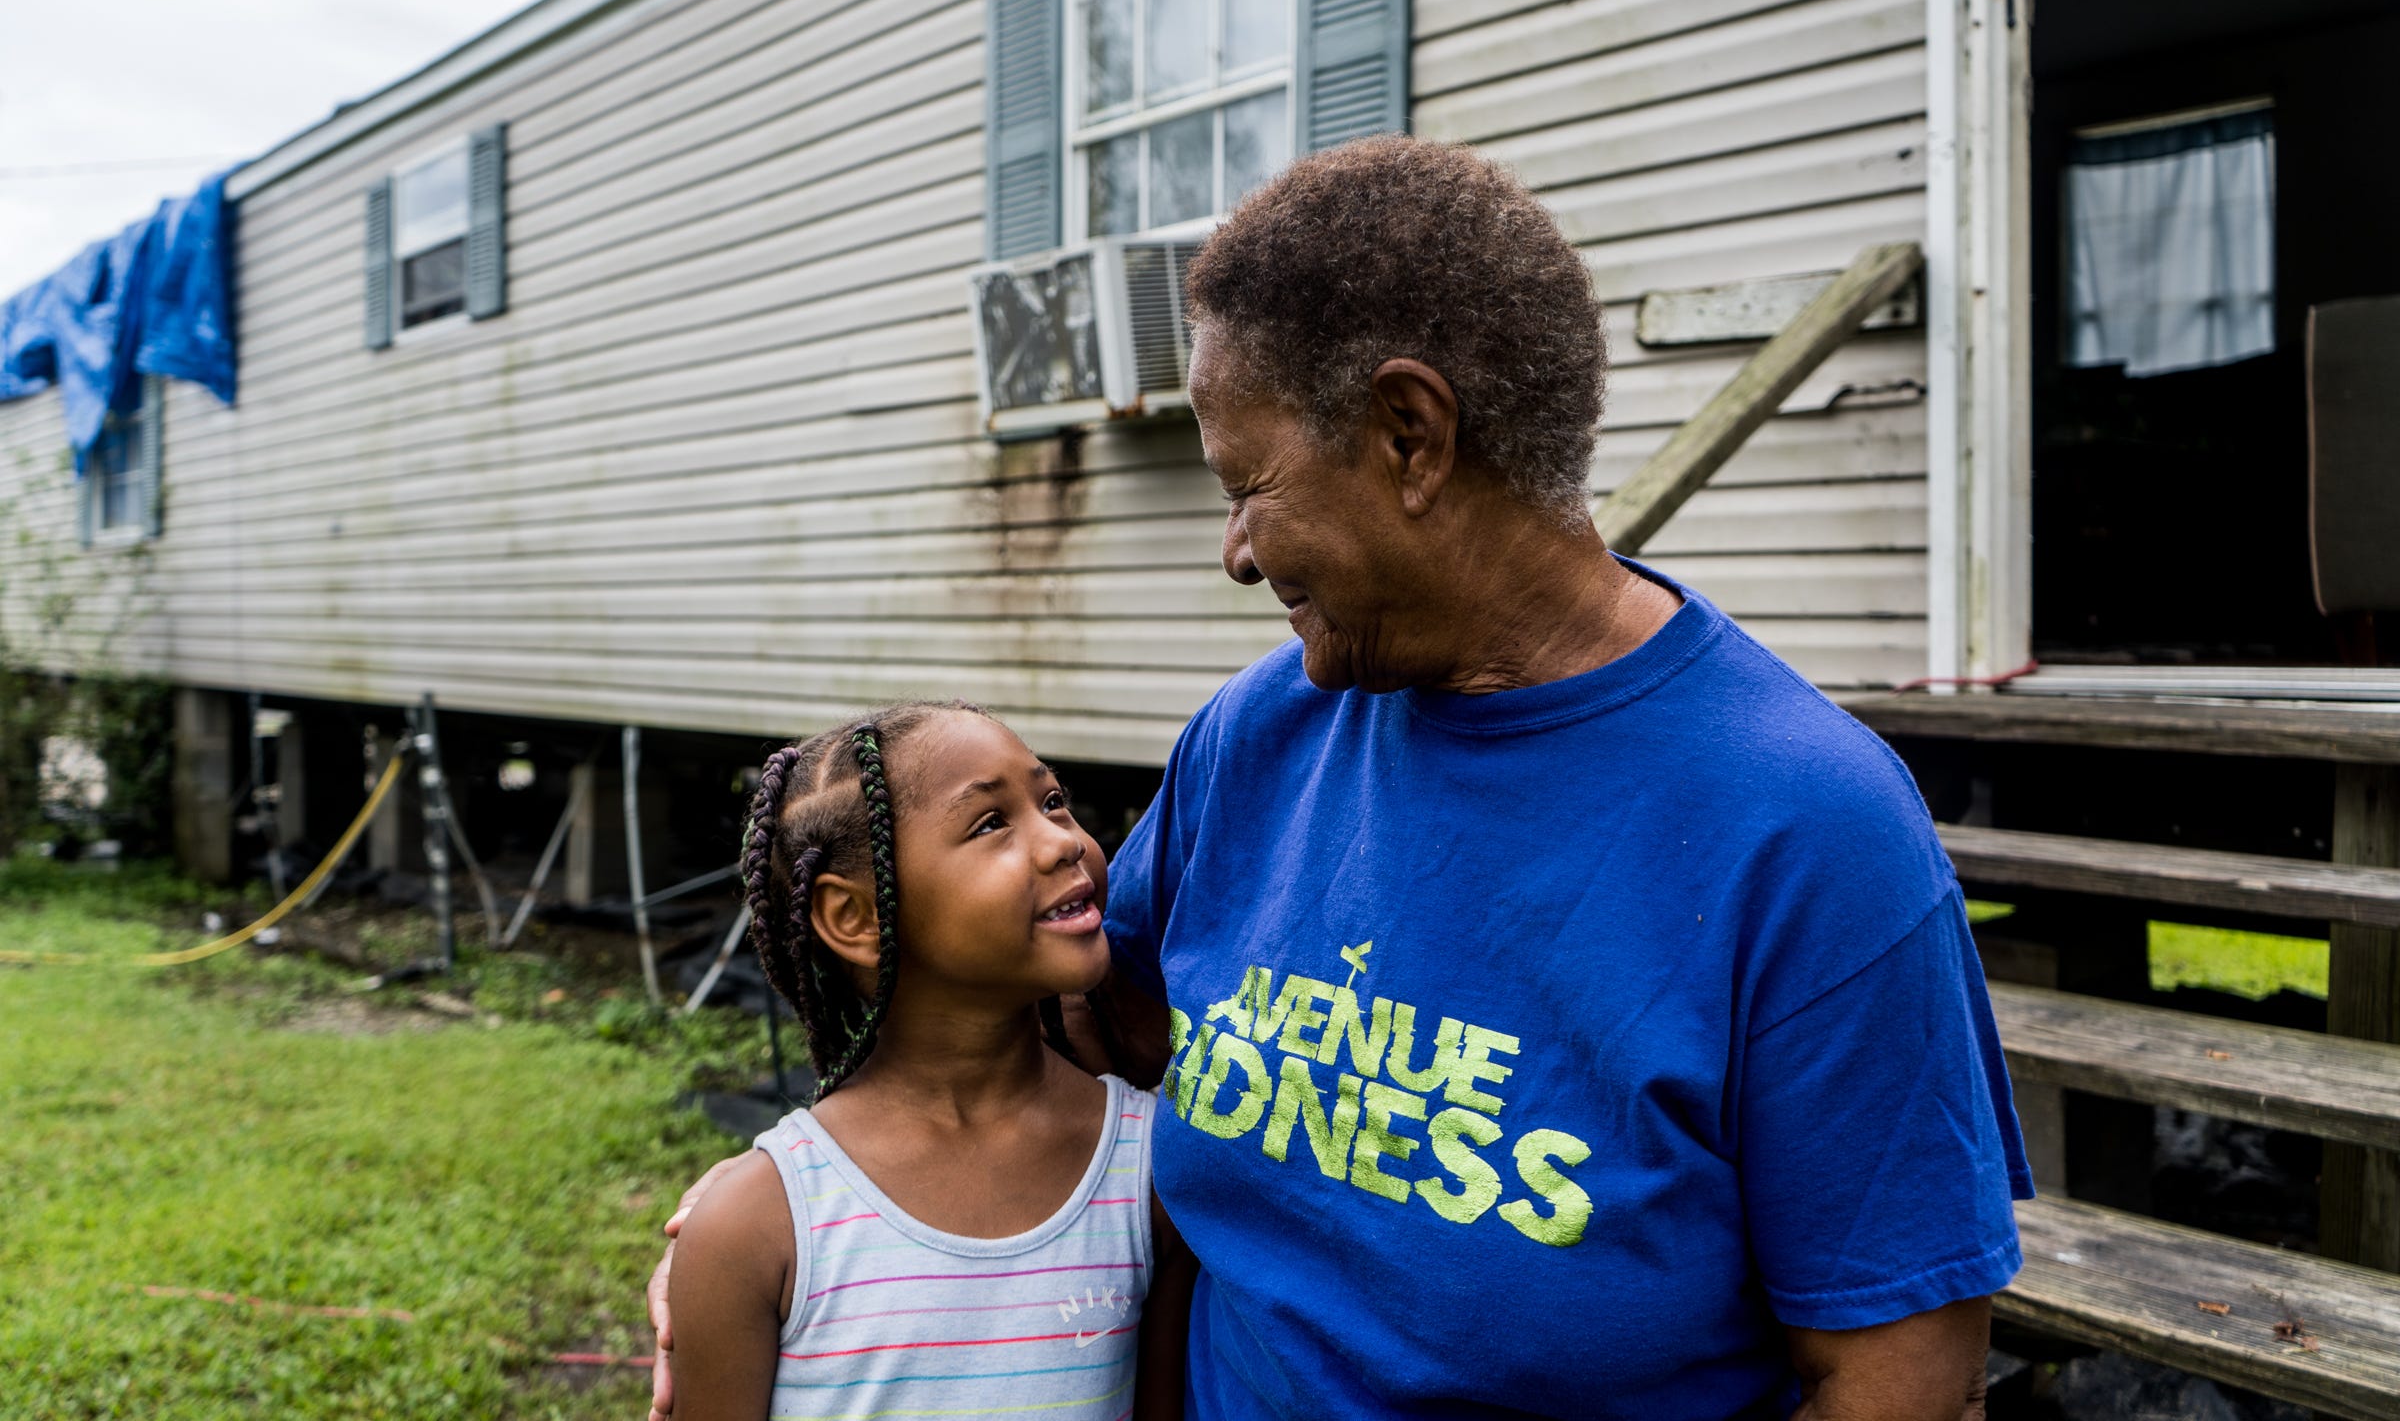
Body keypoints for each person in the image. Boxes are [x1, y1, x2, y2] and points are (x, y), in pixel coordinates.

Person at [653, 137, 2029, 1420]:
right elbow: (1094, 1035)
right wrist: (790, 1225)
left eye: (1247, 483)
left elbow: (1896, 1380)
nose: (1237, 550)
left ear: (1409, 437)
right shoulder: (1257, 739)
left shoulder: (1810, 836)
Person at [662, 702, 1193, 1421]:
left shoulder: (1149, 1166)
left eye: (1053, 801)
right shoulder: (756, 1226)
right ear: (854, 918)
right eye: (991, 823)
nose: (1063, 842)